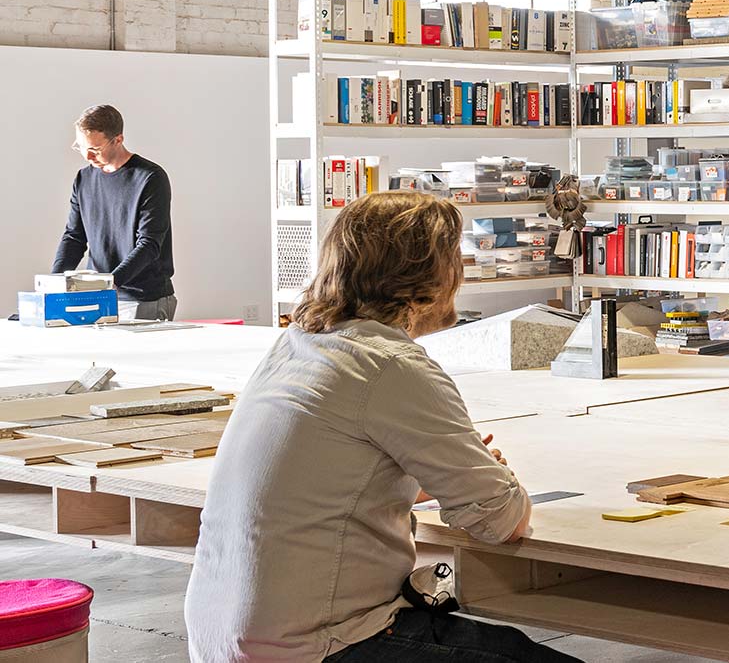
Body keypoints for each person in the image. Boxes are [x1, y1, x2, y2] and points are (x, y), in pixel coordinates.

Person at [185, 191, 574, 663]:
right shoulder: (391, 365)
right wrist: (487, 479)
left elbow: (329, 477)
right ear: (429, 275)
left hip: (224, 636)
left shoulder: (299, 343)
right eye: (455, 256)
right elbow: (500, 522)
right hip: (321, 644)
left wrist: (430, 480)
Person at [52, 104, 177, 320]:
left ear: (118, 139)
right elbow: (74, 237)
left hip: (143, 297)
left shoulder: (150, 178)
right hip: (99, 295)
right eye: (81, 147)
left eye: (95, 149)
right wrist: (52, 285)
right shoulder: (84, 180)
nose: (88, 156)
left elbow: (149, 245)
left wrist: (108, 284)